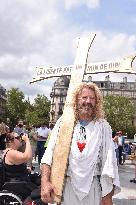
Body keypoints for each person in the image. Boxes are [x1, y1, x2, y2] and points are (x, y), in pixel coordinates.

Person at [40, 82, 120, 205]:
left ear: (96, 102)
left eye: (92, 98)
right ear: (76, 100)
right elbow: (48, 154)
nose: (88, 101)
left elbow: (110, 163)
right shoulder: (63, 123)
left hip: (94, 189)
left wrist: (108, 196)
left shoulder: (103, 126)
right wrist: (45, 182)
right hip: (65, 187)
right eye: (84, 97)